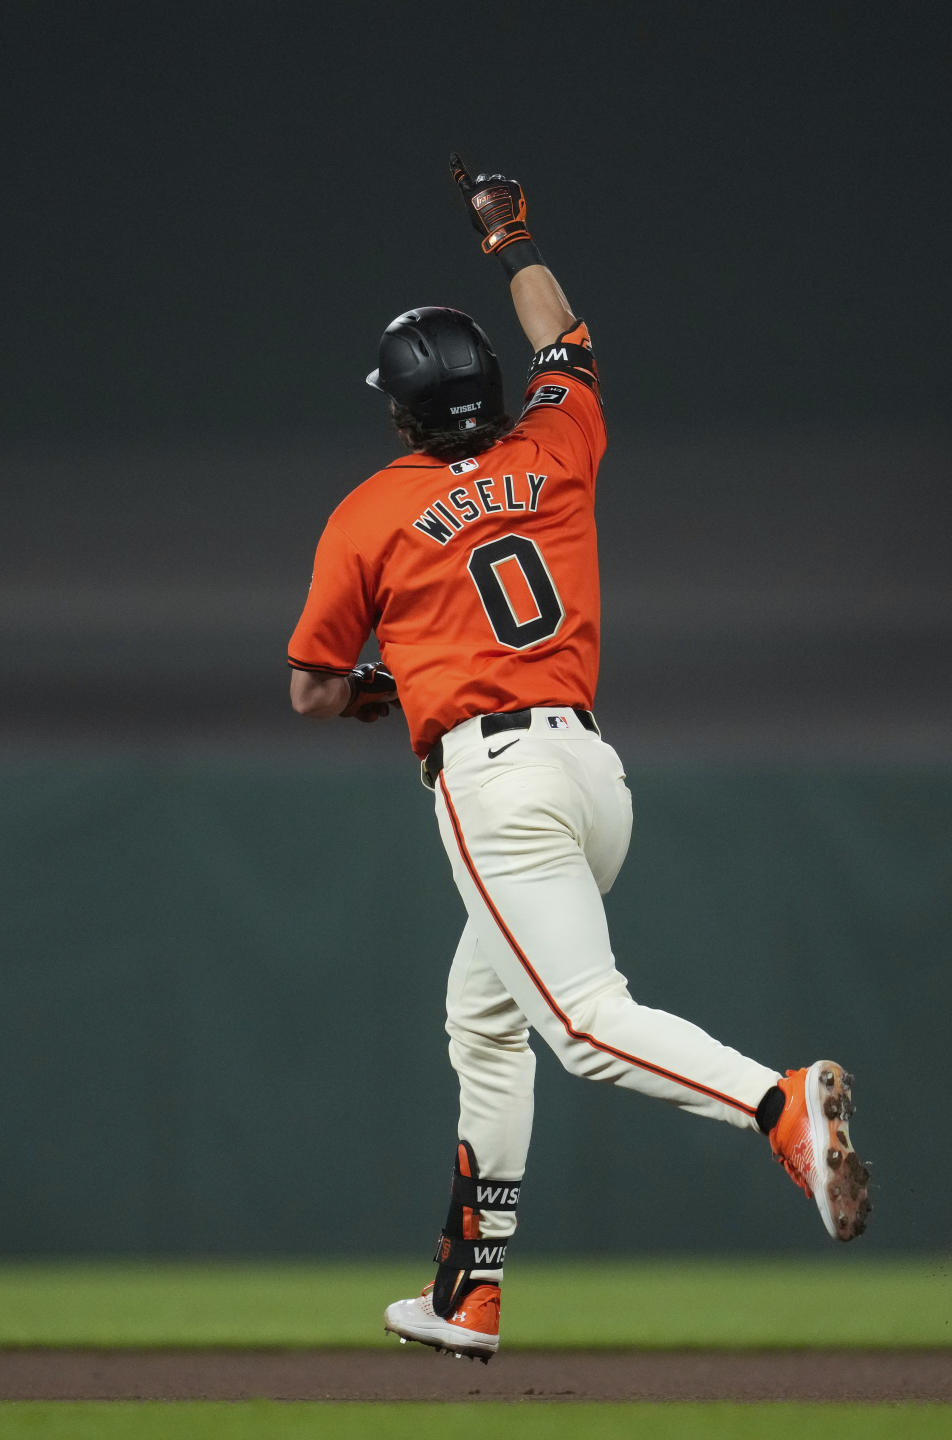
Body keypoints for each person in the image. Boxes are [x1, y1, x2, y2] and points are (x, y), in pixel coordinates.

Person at [286, 155, 871, 1363]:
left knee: (583, 1026)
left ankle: (780, 1106)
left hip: (496, 785)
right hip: (594, 782)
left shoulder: (369, 512)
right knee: (482, 1021)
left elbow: (312, 685)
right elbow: (568, 339)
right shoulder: (555, 441)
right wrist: (508, 240)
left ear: (397, 412)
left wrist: (383, 690)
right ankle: (469, 1293)